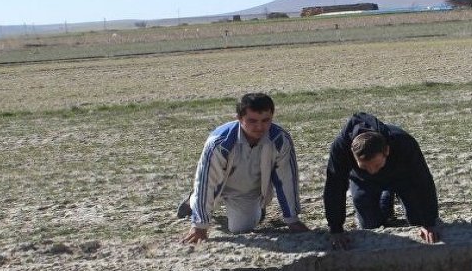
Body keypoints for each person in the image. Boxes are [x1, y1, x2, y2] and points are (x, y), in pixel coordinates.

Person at [178, 93, 308, 244]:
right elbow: (206, 181)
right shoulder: (219, 142)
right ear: (239, 118)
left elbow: (286, 179)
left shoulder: (280, 140)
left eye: (265, 120)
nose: (260, 127)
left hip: (246, 192)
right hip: (216, 183)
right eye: (252, 121)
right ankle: (192, 201)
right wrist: (199, 227)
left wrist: (292, 219)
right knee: (203, 197)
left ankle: (258, 207)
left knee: (241, 228)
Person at [324, 112, 440, 249]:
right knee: (370, 226)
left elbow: (422, 180)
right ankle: (386, 198)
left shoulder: (404, 142)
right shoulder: (340, 147)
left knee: (416, 220)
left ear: (387, 150)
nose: (372, 171)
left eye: (377, 165)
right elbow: (334, 186)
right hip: (362, 180)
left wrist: (428, 221)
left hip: (401, 177)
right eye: (365, 166)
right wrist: (335, 228)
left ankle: (390, 193)